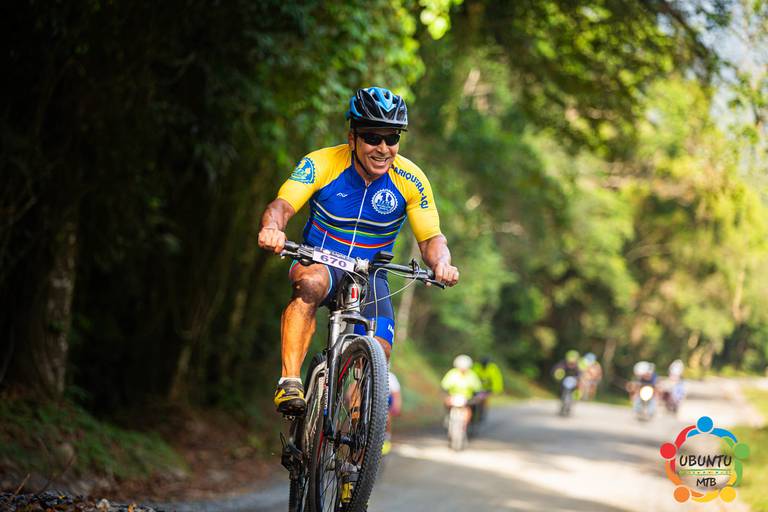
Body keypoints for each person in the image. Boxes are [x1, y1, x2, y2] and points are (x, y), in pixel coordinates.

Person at [258, 86, 460, 417]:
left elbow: (431, 239)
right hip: (320, 260)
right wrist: (273, 228)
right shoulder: (322, 163)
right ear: (352, 138)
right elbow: (282, 206)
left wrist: (442, 263)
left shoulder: (411, 179)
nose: (383, 148)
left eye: (391, 138)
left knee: (380, 349)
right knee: (309, 285)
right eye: (372, 137)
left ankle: (359, 428)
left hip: (371, 273)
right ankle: (290, 381)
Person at [441, 355, 483, 431]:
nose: (463, 369)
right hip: (453, 397)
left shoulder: (472, 375)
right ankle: (448, 417)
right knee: (447, 403)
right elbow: (445, 385)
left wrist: (476, 397)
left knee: (469, 409)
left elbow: (477, 388)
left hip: (467, 399)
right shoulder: (452, 373)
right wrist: (446, 395)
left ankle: (466, 425)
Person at [472, 356, 504, 421]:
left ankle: (483, 412)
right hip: (477, 388)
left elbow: (497, 379)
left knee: (485, 401)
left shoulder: (492, 368)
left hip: (488, 389)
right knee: (473, 400)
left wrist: (496, 389)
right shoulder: (476, 367)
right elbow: (472, 377)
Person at [383, 371, 402, 455]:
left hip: (386, 399)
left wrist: (396, 406)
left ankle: (387, 438)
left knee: (387, 417)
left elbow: (396, 394)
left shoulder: (391, 377)